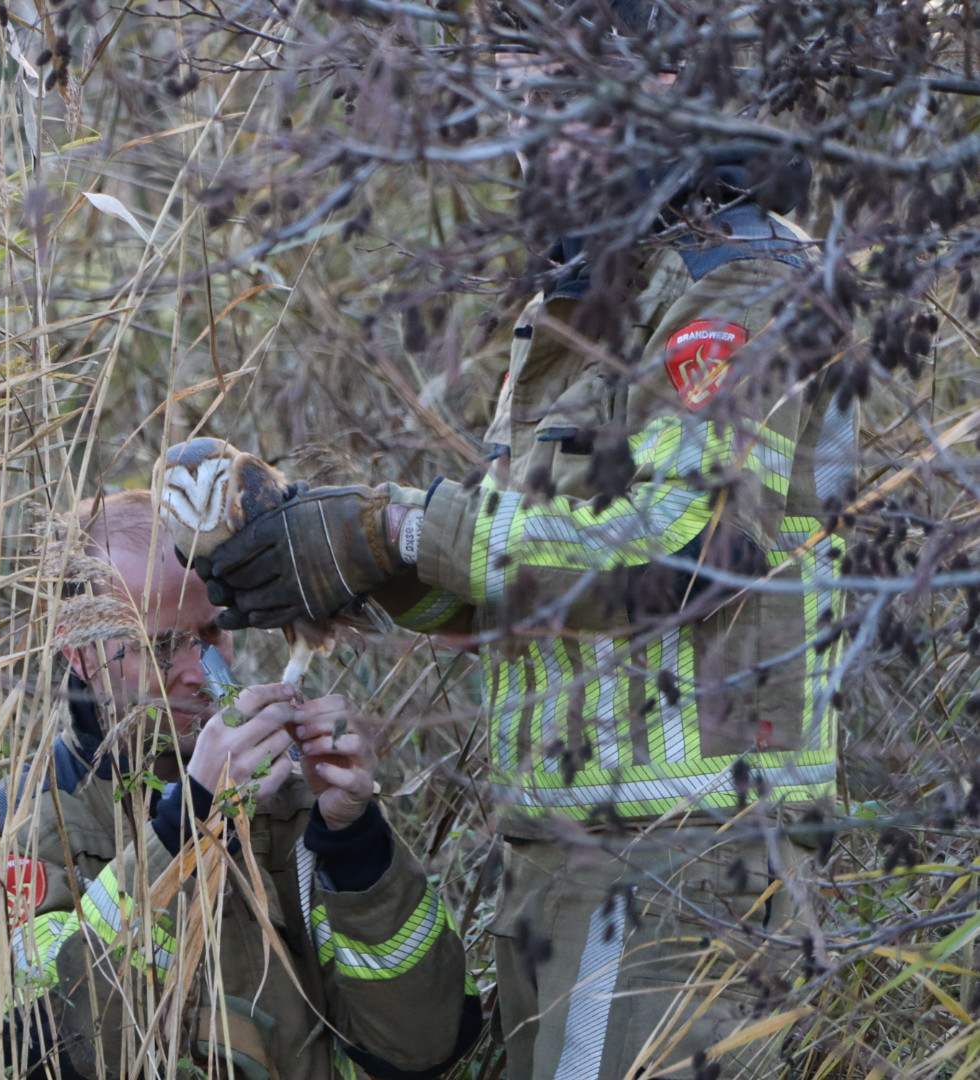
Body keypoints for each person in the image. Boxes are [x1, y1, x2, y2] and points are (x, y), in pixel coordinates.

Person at [188, 6, 854, 1080]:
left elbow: (672, 550)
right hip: (565, 863)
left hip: (678, 865)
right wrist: (361, 562)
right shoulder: (586, 308)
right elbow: (528, 582)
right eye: (505, 82)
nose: (512, 119)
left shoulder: (747, 284)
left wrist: (402, 524)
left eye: (541, 80)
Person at [0, 490, 482, 1079]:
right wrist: (186, 827)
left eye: (213, 634)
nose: (202, 675)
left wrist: (356, 841)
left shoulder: (297, 807)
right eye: (159, 646)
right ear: (81, 657)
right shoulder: (7, 833)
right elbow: (42, 1049)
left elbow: (424, 1047)